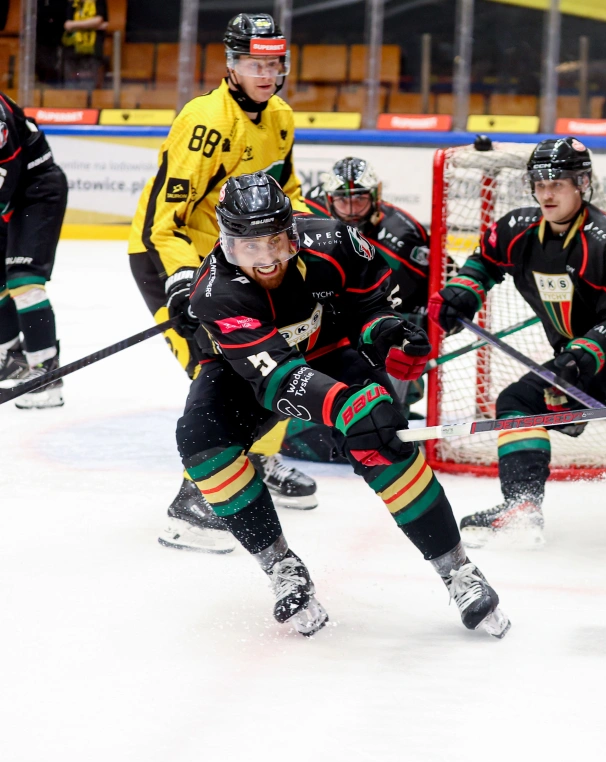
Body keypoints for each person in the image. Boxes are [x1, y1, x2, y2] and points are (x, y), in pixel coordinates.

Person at [177, 172, 510, 639]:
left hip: (328, 349)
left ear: (292, 232)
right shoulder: (217, 293)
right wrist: (346, 405)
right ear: (228, 244)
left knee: (382, 440)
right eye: (250, 247)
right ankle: (281, 566)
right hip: (242, 372)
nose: (266, 259)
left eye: (275, 242)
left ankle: (458, 571)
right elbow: (274, 379)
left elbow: (369, 309)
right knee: (202, 442)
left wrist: (388, 333)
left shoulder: (336, 242)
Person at [431, 137, 606, 566]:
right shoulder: (517, 230)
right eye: (540, 183)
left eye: (558, 183)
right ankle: (522, 507)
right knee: (518, 403)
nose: (547, 193)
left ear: (582, 184)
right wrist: (462, 293)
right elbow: (485, 261)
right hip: (575, 363)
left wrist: (578, 359)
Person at [127, 13, 318, 554]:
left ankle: (256, 458)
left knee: (276, 354)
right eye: (255, 64)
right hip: (172, 256)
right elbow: (163, 221)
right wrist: (182, 280)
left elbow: (288, 193)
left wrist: (319, 235)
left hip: (236, 261)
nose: (267, 75)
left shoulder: (280, 116)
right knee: (219, 369)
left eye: (274, 65)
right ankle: (194, 502)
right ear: (231, 64)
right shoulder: (205, 121)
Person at [288, 156, 431, 460]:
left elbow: (436, 282)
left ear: (376, 196)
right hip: (319, 325)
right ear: (329, 199)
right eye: (343, 200)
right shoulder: (305, 218)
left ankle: (396, 401)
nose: (352, 209)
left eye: (359, 199)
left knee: (405, 329)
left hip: (374, 320)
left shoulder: (405, 233)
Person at [0, 92, 68, 409]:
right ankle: (12, 360)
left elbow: (6, 176)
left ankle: (46, 374)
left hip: (37, 190)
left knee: (23, 280)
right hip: (12, 195)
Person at [60, 0, 108, 88]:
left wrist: (75, 25)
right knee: (70, 86)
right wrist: (91, 24)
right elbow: (67, 25)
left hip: (92, 51)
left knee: (87, 86)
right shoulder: (72, 2)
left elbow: (99, 21)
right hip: (72, 49)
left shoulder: (99, 2)